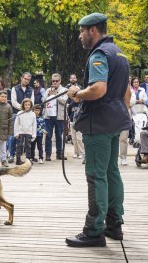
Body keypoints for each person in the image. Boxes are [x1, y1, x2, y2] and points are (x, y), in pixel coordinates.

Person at [66, 13, 131, 247]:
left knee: (96, 175)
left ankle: (94, 231)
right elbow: (127, 94)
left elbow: (98, 89)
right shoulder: (119, 53)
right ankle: (114, 224)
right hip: (115, 122)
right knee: (112, 171)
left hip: (99, 123)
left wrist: (76, 94)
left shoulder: (100, 54)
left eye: (82, 31)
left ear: (93, 30)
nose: (80, 36)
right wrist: (121, 115)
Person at [8, 72, 34, 163]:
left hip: (28, 115)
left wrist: (28, 109)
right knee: (14, 135)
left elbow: (32, 102)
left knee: (27, 136)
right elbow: (13, 102)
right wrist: (22, 108)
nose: (26, 81)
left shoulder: (31, 89)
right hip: (17, 114)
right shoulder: (15, 88)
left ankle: (26, 157)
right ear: (21, 78)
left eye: (28, 80)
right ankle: (11, 155)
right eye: (25, 79)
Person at [43, 73, 68, 161]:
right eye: (53, 81)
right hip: (49, 116)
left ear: (60, 81)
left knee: (59, 136)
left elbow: (65, 101)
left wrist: (55, 96)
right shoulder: (48, 90)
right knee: (48, 136)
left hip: (59, 116)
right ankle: (48, 154)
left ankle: (59, 154)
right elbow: (43, 101)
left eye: (56, 81)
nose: (54, 82)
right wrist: (49, 96)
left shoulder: (64, 90)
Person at [14, 99, 36, 165]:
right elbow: (16, 124)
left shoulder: (33, 114)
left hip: (29, 132)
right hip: (20, 132)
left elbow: (34, 125)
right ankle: (18, 159)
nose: (27, 106)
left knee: (28, 146)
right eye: (25, 105)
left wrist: (34, 135)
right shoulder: (19, 113)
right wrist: (16, 133)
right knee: (19, 146)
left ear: (31, 105)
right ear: (23, 105)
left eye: (28, 105)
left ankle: (28, 159)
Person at [67, 94, 85, 160]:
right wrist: (71, 119)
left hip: (79, 123)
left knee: (79, 138)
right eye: (74, 98)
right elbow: (68, 112)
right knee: (73, 138)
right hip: (72, 122)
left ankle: (82, 152)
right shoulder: (71, 105)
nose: (75, 99)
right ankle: (76, 152)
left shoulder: (81, 104)